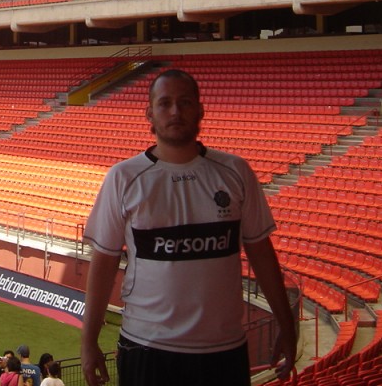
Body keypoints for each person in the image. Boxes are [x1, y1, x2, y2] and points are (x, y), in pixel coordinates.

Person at [79, 68, 297, 386]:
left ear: (200, 110)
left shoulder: (235, 172)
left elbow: (262, 255)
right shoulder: (123, 178)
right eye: (165, 103)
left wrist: (287, 326)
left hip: (223, 351)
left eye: (185, 102)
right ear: (149, 114)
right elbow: (103, 264)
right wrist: (89, 342)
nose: (175, 111)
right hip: (147, 347)